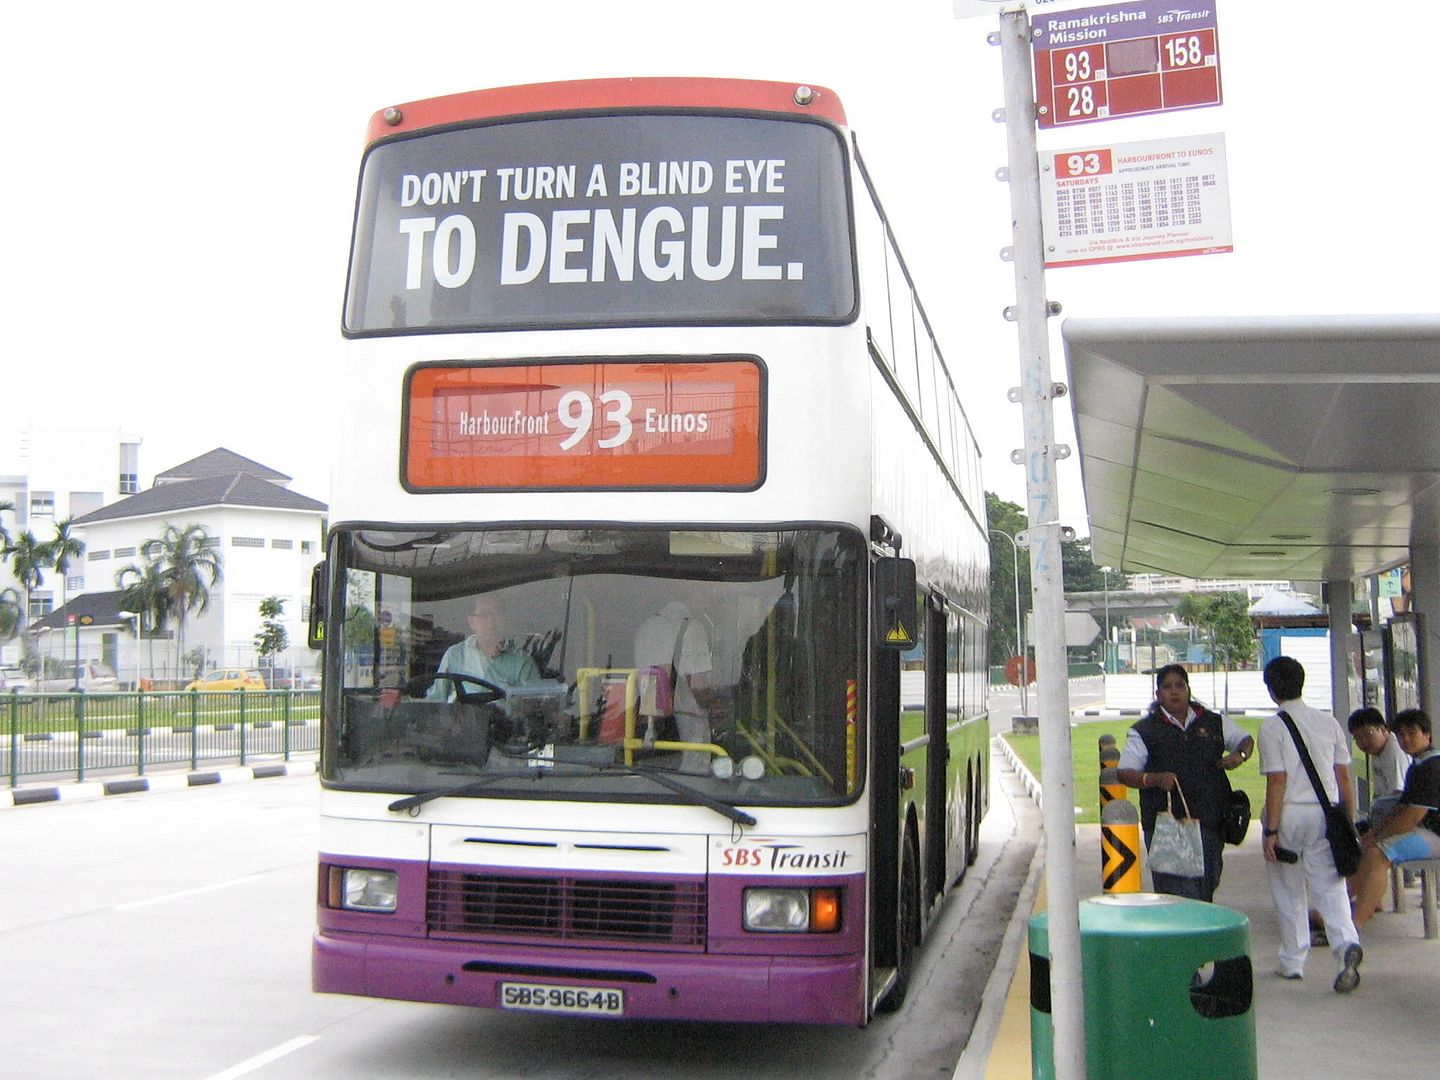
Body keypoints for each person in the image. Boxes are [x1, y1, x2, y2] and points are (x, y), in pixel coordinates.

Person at [1257, 655, 1363, 992]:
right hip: (1325, 813)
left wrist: (1271, 831)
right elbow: (1343, 777)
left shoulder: (1272, 727)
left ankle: (1293, 960)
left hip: (1289, 813)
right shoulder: (1328, 723)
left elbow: (1277, 780)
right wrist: (1347, 821)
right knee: (1330, 886)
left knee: (1288, 888)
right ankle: (1345, 945)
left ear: (1272, 690)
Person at [1117, 663, 1255, 901]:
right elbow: (1125, 773)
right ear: (1158, 694)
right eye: (1167, 687)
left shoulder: (1213, 722)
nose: (1175, 692)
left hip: (1209, 824)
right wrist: (1153, 779)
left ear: (1188, 690)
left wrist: (1239, 756)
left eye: (1180, 685)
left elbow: (1245, 740)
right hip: (1167, 830)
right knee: (1174, 897)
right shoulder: (1144, 731)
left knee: (1205, 892)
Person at [1350, 708, 1440, 932]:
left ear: (1427, 734)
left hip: (1435, 836)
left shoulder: (1431, 766)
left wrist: (1378, 836)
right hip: (1428, 831)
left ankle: (1353, 924)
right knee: (1368, 846)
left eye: (1412, 733)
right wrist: (1374, 833)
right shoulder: (1418, 764)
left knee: (1380, 852)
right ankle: (1339, 911)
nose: (1405, 739)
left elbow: (1412, 816)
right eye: (1401, 735)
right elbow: (1401, 807)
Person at [634, 599, 715, 773]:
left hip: (649, 715)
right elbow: (697, 684)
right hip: (686, 715)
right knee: (694, 769)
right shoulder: (692, 628)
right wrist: (715, 707)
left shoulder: (644, 628)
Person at [429, 594, 540, 700]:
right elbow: (436, 700)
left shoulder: (522, 662)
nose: (491, 621)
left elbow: (532, 704)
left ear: (505, 619)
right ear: (471, 622)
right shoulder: (455, 655)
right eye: (484, 615)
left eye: (496, 614)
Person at [1348, 706, 1411, 832]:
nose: (1363, 742)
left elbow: (1398, 795)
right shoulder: (1377, 751)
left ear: (1383, 729)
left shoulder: (1394, 751)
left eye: (1368, 734)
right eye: (1357, 738)